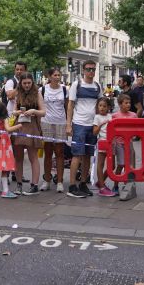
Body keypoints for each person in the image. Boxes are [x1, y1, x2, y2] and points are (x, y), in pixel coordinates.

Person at [66, 61, 101, 198]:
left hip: (92, 125)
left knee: (88, 155)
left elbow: (100, 104)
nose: (91, 72)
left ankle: (83, 183)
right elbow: (70, 105)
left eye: (93, 69)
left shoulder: (97, 86)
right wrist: (68, 124)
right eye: (88, 69)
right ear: (83, 71)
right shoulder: (77, 85)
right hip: (79, 124)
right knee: (77, 155)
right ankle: (72, 185)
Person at [11, 73, 45, 195]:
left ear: (32, 82)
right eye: (24, 83)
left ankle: (34, 185)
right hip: (19, 126)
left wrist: (34, 111)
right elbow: (13, 111)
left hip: (32, 127)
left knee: (33, 157)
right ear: (20, 83)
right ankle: (19, 184)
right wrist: (18, 112)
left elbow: (43, 112)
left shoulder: (37, 93)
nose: (26, 85)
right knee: (18, 157)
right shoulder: (18, 93)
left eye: (29, 83)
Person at [40, 68, 67, 192]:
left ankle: (60, 181)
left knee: (60, 152)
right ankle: (47, 180)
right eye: (55, 75)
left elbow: (67, 106)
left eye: (58, 75)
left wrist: (69, 124)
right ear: (49, 77)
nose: (57, 77)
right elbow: (40, 106)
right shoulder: (43, 89)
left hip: (61, 122)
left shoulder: (64, 89)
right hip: (46, 122)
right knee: (48, 152)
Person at [92, 96, 116, 197]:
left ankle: (100, 181)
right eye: (100, 106)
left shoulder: (111, 116)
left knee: (112, 166)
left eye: (104, 106)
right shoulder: (97, 117)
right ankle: (102, 187)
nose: (102, 108)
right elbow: (94, 132)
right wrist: (101, 125)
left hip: (112, 143)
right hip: (102, 141)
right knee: (100, 164)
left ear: (108, 107)